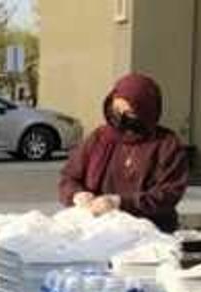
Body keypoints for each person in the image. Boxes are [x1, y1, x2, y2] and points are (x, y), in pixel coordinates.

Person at [58, 73, 189, 233]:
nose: (121, 119)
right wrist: (77, 194)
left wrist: (120, 202)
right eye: (117, 110)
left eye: (130, 113)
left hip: (149, 231)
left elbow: (168, 193)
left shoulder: (166, 144)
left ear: (146, 112)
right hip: (98, 229)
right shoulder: (99, 138)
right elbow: (69, 177)